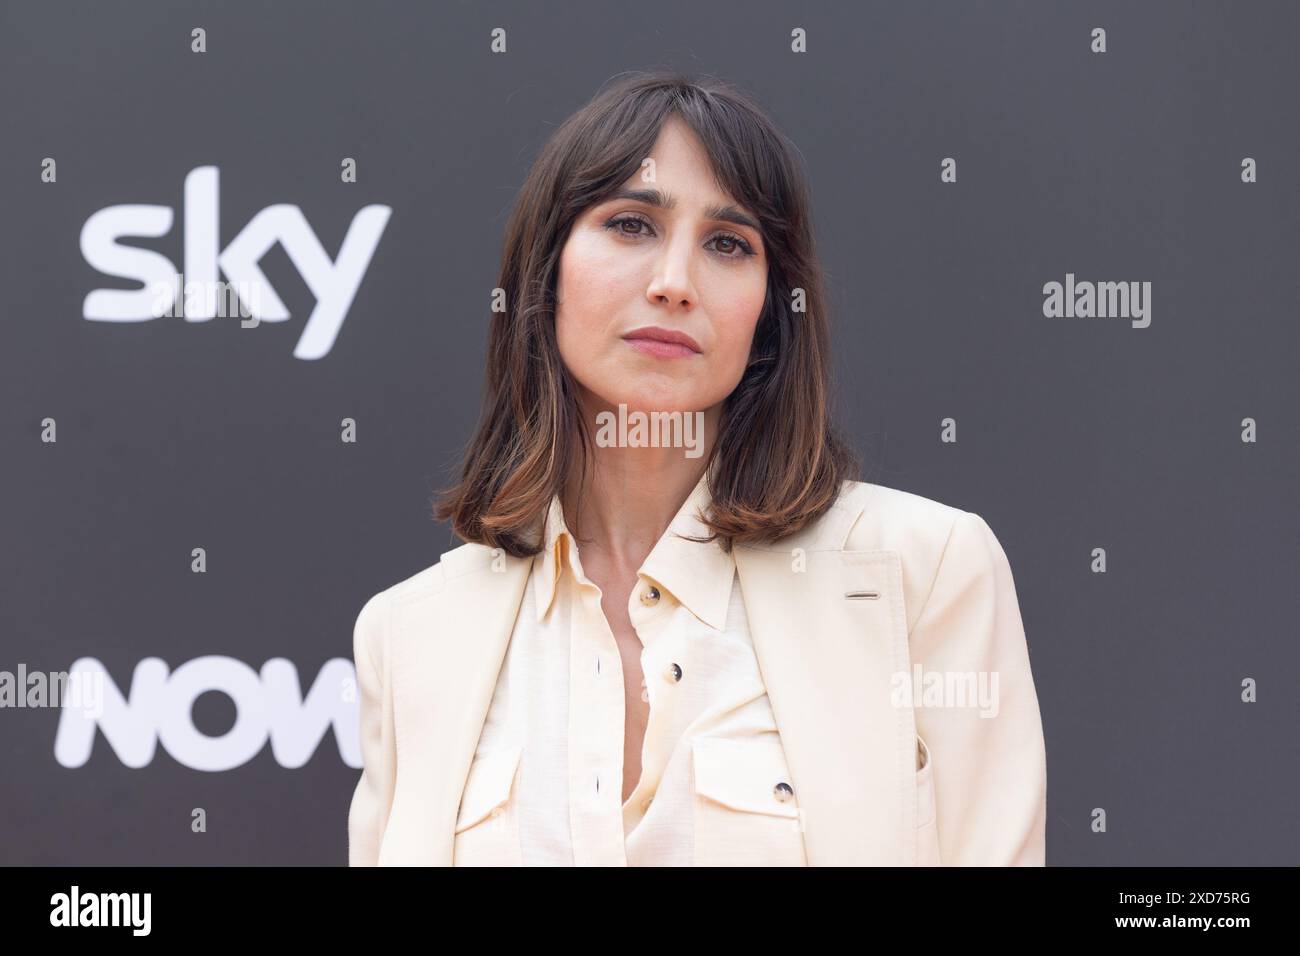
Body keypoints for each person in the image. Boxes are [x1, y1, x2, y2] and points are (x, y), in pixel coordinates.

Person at [347, 70, 1046, 866]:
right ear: (546, 273)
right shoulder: (411, 632)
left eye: (727, 244)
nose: (674, 283)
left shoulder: (924, 573)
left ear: (770, 313)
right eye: (631, 225)